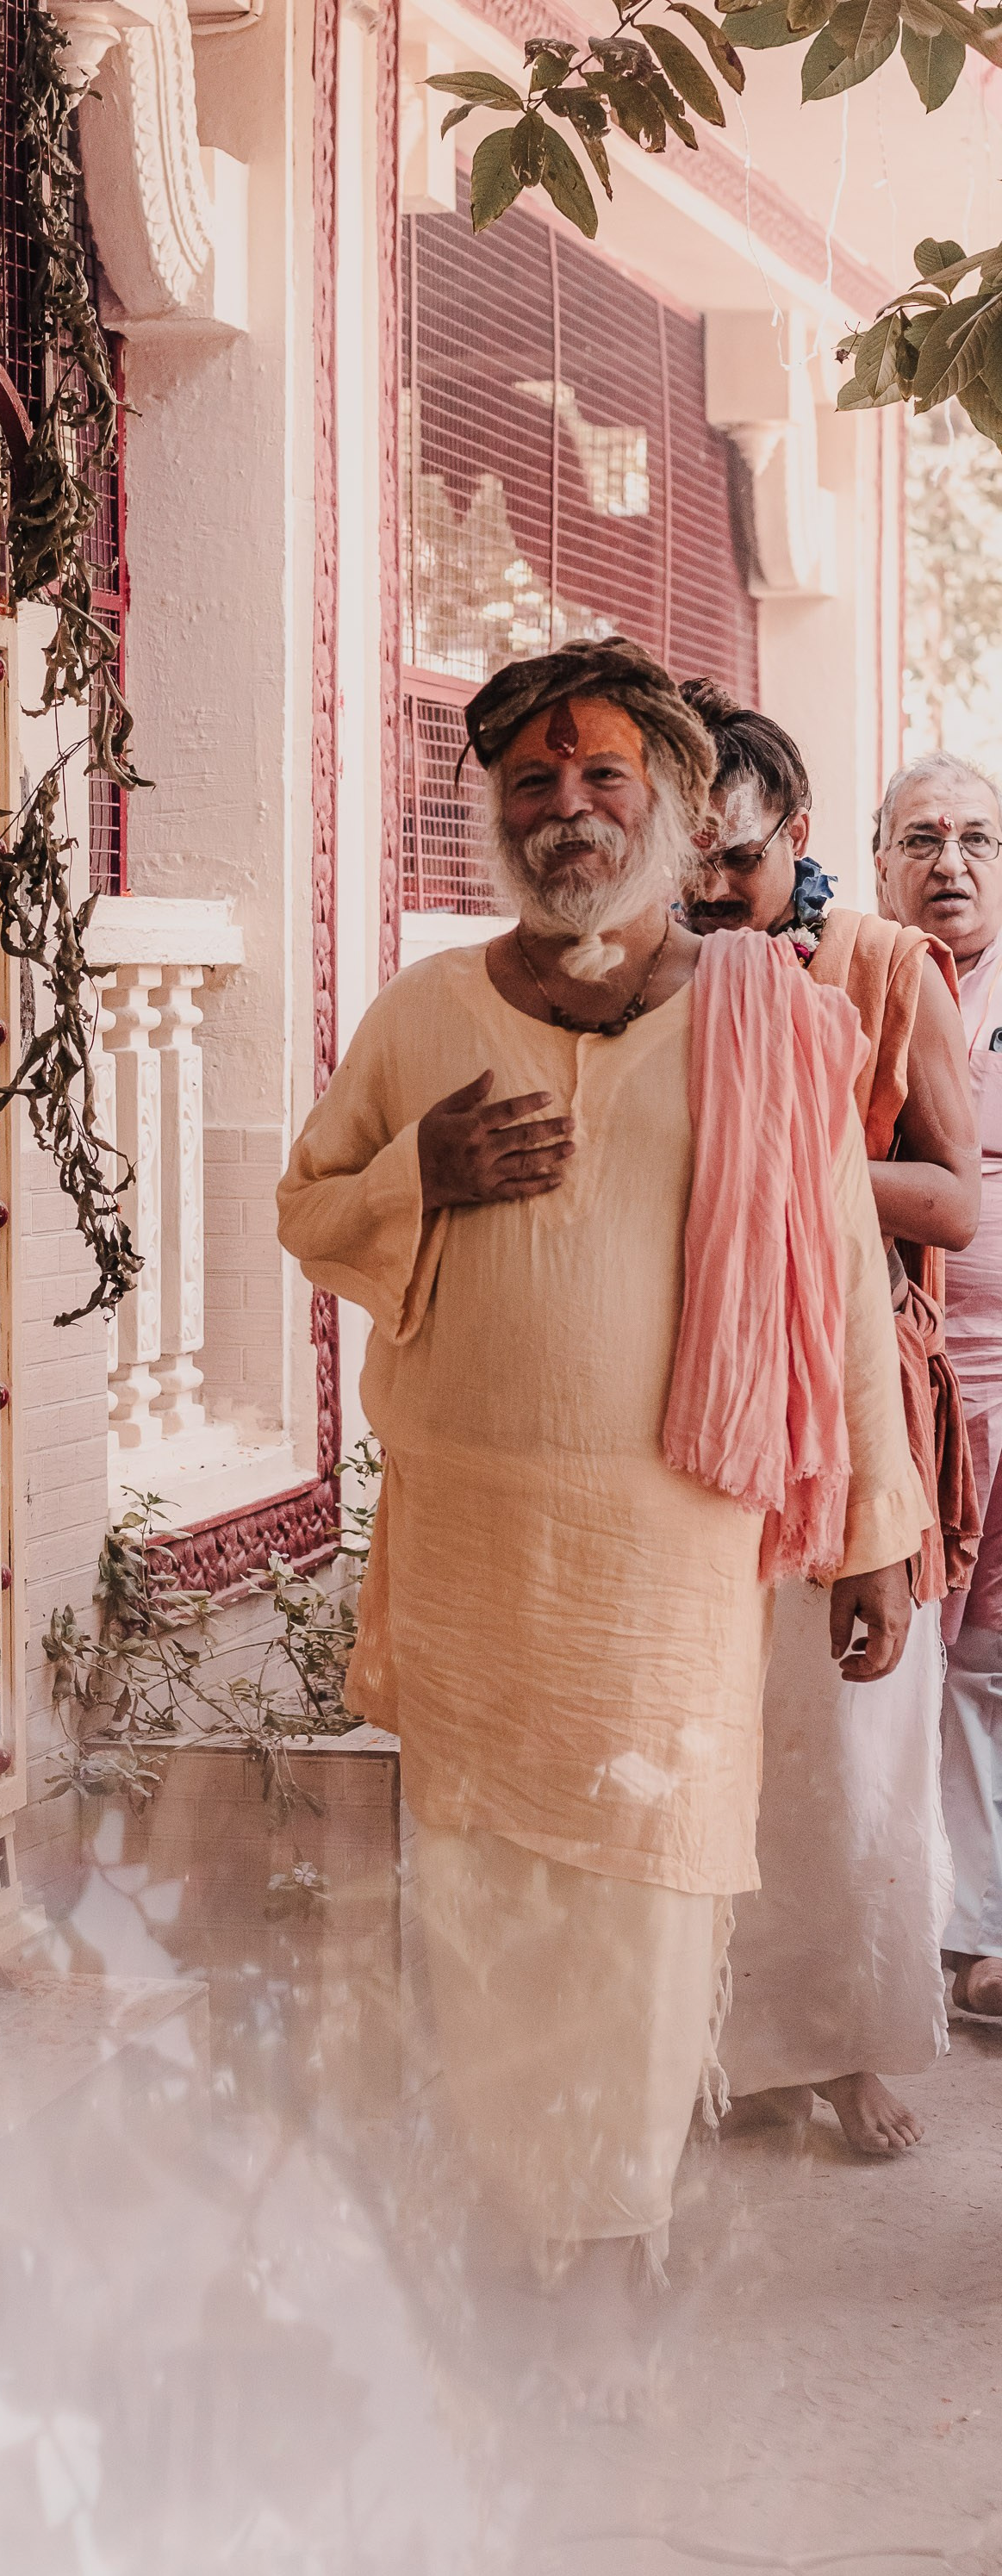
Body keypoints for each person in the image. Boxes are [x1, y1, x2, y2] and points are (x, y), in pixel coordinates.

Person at [276, 637, 924, 2405]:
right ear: (494, 812)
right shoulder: (423, 1017)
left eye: (603, 780)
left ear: (676, 806)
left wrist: (877, 1522)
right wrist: (429, 1175)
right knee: (485, 1897)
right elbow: (307, 1205)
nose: (566, 811)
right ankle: (499, 2230)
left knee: (644, 1904)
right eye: (531, 784)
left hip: (665, 1549)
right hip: (478, 1542)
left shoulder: (771, 1016)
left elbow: (838, 1290)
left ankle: (617, 2237)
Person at [678, 682, 980, 2156]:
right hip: (693, 1408)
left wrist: (792, 1151)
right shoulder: (640, 973)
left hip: (859, 1407)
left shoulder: (879, 969)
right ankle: (738, 2049)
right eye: (683, 858)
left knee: (859, 1747)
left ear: (796, 841)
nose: (706, 891)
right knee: (735, 1734)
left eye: (732, 859)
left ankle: (856, 2050)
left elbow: (952, 1201)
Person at [874, 754, 1002, 2021]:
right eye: (922, 838)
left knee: (995, 1662)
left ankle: (983, 1933)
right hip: (896, 1377)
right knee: (892, 1656)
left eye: (975, 839)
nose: (950, 863)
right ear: (878, 865)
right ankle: (882, 1941)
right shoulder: (849, 984)